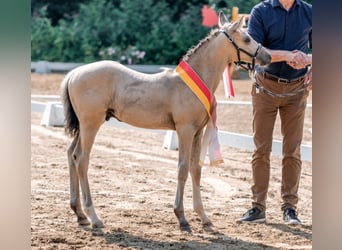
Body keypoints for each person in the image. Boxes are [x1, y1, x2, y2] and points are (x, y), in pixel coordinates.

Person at [238, 0, 312, 225]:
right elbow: (258, 53)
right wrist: (290, 55)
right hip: (265, 88)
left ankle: (290, 209)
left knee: (292, 150)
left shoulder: (311, 12)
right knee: (261, 149)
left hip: (297, 90)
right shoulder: (260, 11)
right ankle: (258, 207)